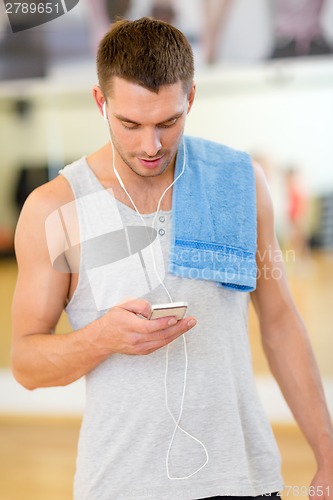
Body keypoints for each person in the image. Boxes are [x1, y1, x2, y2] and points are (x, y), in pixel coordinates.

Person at [11, 17, 333, 500]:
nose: (151, 145)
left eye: (169, 121)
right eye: (130, 123)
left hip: (244, 478)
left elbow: (281, 322)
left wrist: (327, 453)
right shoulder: (57, 209)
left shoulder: (238, 183)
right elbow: (26, 363)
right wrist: (101, 338)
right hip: (121, 484)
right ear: (102, 103)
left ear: (192, 99)